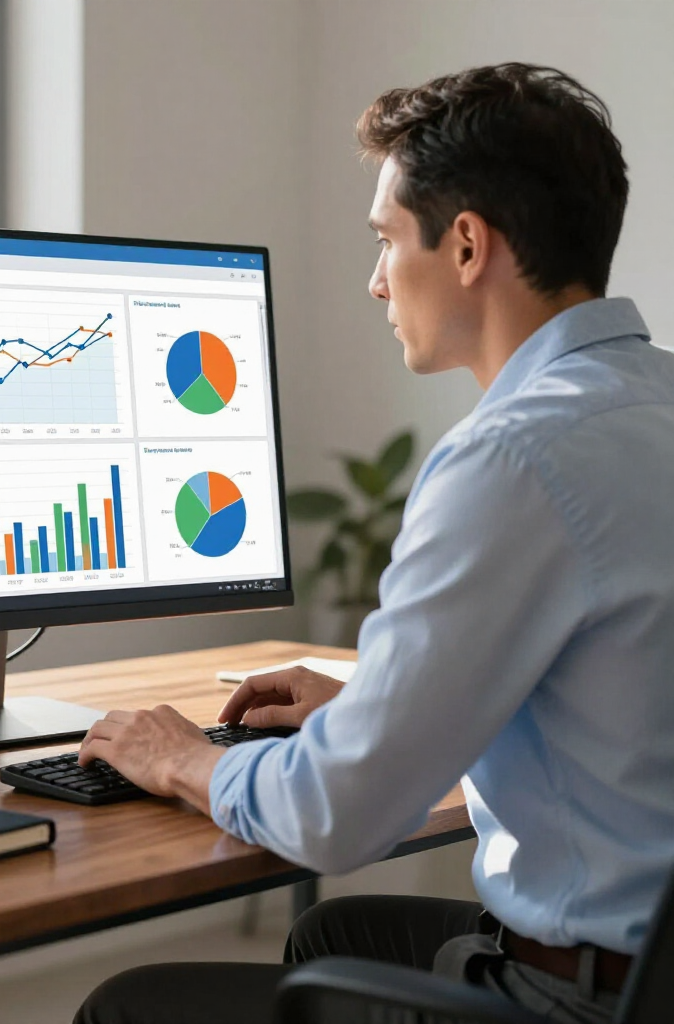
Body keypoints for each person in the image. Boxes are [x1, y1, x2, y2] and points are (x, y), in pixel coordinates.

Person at [72, 63, 674, 1024]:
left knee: (131, 1004)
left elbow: (335, 818)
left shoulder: (513, 458)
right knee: (327, 939)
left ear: (468, 245)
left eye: (388, 241)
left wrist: (180, 755)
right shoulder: (653, 402)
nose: (375, 280)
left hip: (583, 1003)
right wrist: (386, 710)